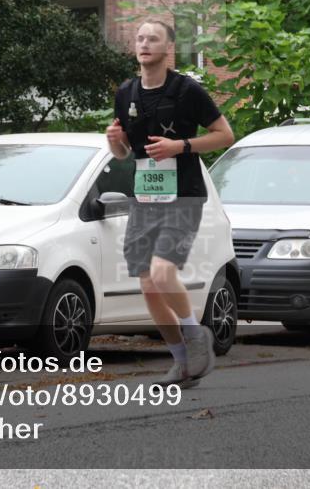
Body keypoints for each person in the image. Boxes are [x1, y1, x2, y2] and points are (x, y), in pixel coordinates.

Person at [106, 20, 235, 387]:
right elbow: (124, 153)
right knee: (148, 285)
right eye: (140, 38)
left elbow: (225, 135)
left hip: (183, 195)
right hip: (145, 197)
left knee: (163, 273)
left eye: (153, 39)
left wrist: (181, 146)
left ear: (168, 49)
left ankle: (196, 336)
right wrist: (114, 140)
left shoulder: (187, 90)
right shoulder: (126, 93)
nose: (145, 44)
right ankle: (183, 364)